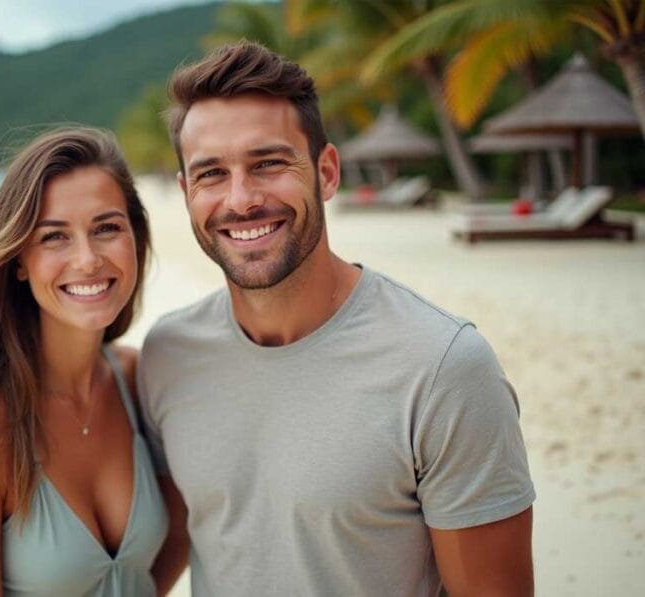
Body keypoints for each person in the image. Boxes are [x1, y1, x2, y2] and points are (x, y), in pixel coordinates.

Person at [137, 42, 536, 596]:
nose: (241, 199)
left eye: (268, 164)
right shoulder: (168, 353)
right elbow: (183, 534)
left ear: (326, 172)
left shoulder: (444, 368)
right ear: (186, 193)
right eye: (211, 174)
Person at [0, 128, 171, 596]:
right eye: (54, 237)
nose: (87, 260)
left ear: (135, 238)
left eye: (107, 228)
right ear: (19, 261)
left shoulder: (138, 378)